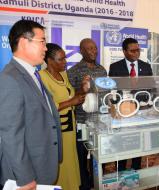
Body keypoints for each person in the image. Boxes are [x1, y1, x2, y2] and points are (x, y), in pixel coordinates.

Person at [0, 20, 62, 189]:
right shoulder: (10, 79)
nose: (46, 47)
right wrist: (25, 178)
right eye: (42, 41)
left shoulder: (32, 73)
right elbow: (11, 135)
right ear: (23, 42)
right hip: (28, 173)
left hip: (41, 163)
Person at [39, 43, 90, 190]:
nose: (65, 62)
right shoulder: (41, 77)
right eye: (61, 59)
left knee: (70, 161)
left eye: (65, 58)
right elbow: (46, 106)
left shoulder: (63, 75)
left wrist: (82, 88)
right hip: (56, 129)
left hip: (69, 127)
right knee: (59, 162)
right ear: (49, 61)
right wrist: (71, 102)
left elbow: (72, 95)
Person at [67, 38, 107, 190]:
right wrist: (82, 89)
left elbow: (106, 92)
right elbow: (70, 96)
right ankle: (84, 184)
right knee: (81, 157)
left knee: (99, 155)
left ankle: (98, 183)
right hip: (82, 121)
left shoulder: (102, 69)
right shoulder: (74, 71)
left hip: (100, 120)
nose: (94, 51)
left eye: (95, 48)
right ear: (81, 51)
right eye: (89, 48)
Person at [109, 37, 153, 171]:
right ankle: (120, 170)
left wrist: (148, 105)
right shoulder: (115, 67)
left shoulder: (146, 66)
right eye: (132, 51)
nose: (136, 53)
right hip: (123, 112)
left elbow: (151, 88)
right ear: (124, 51)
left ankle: (136, 170)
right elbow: (112, 91)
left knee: (138, 141)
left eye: (138, 50)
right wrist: (115, 108)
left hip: (140, 111)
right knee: (123, 141)